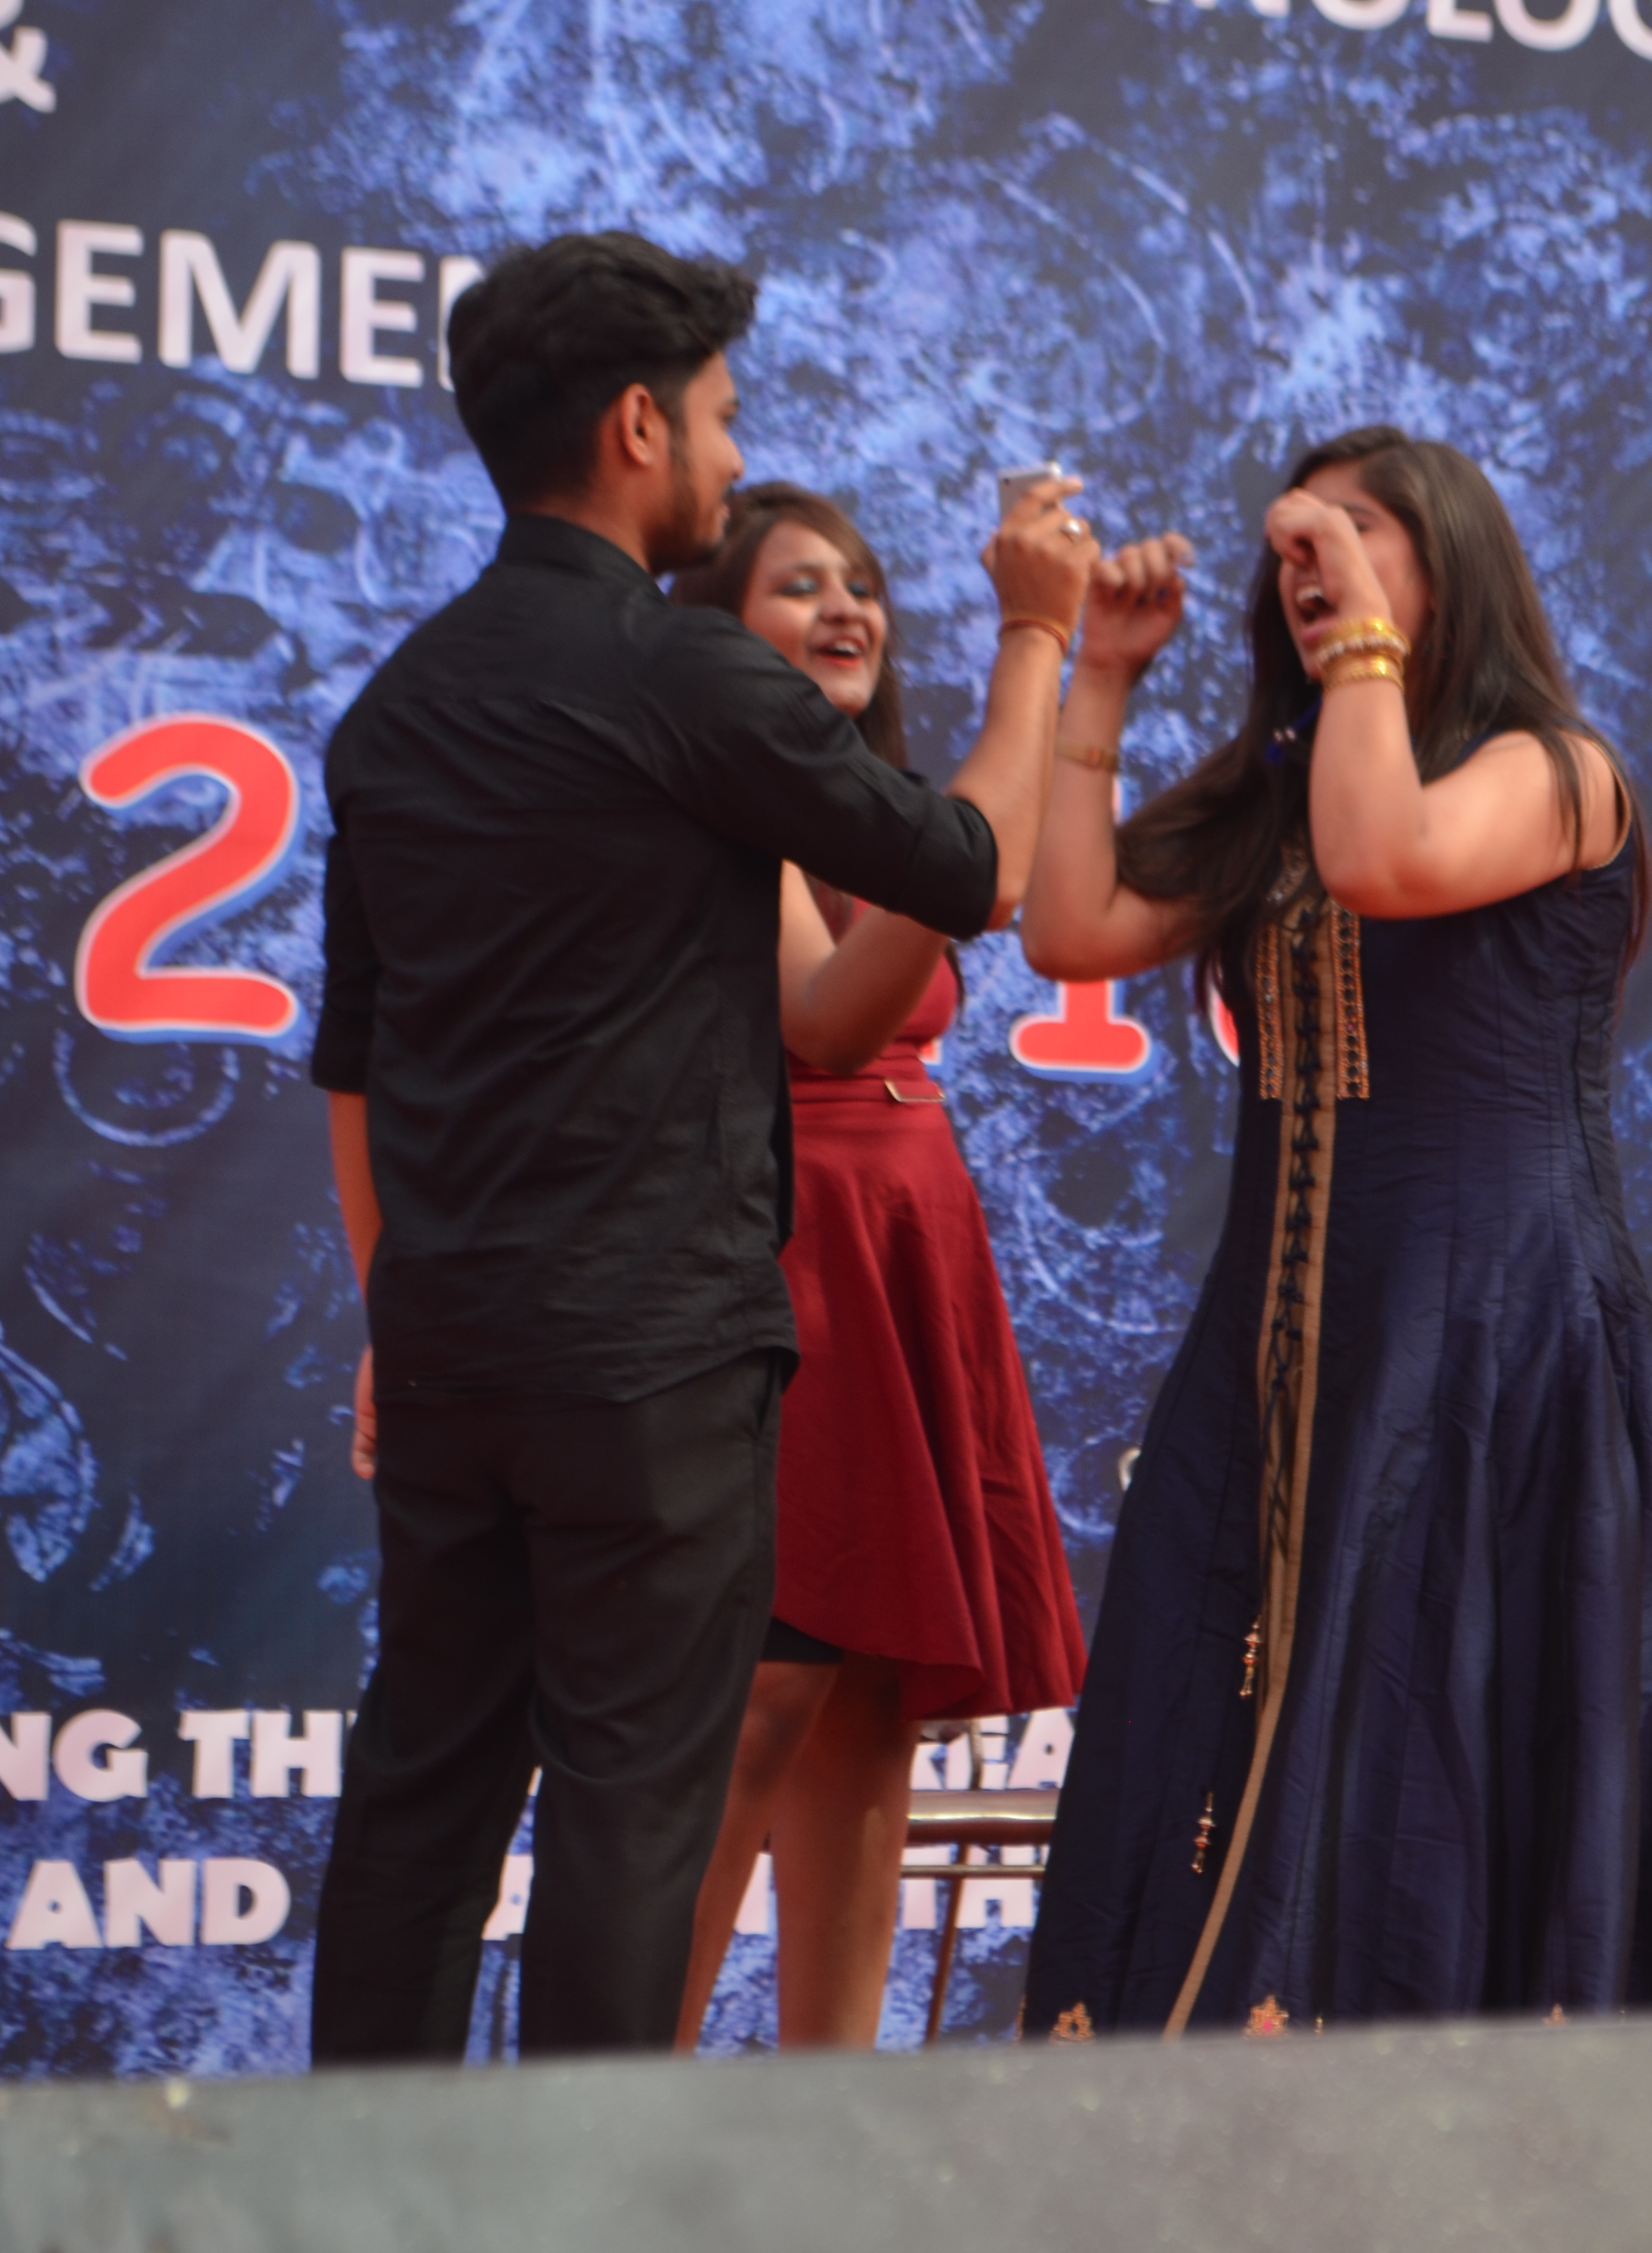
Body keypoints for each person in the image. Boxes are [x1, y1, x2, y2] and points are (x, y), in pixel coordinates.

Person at [307, 232, 1080, 2061]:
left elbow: (356, 1071)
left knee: (418, 1799)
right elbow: (974, 868)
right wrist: (1040, 634)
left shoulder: (396, 707)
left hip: (454, 1347)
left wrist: (395, 1313)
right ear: (640, 426)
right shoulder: (678, 674)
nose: (733, 460)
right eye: (722, 421)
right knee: (630, 1818)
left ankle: (344, 2189)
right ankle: (590, 2195)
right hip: (651, 1366)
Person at [1015, 427, 1652, 2036]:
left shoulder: (1554, 772)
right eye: (1297, 547)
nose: (1314, 563)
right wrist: (1101, 673)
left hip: (1493, 1346)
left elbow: (1384, 859)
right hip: (1286, 1347)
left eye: (1362, 533)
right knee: (1226, 1708)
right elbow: (1070, 926)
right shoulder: (1286, 786)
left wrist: (1358, 640)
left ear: (1450, 561)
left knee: (1429, 1729)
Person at [657, 480, 1113, 2049]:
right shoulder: (723, 810)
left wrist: (1078, 670)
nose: (847, 606)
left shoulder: (873, 808)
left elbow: (997, 876)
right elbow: (829, 1014)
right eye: (799, 585)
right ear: (717, 635)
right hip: (779, 1259)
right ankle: (612, 2107)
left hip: (906, 1252)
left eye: (860, 583)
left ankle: (831, 2119)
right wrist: (1035, 635)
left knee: (867, 1706)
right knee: (759, 1697)